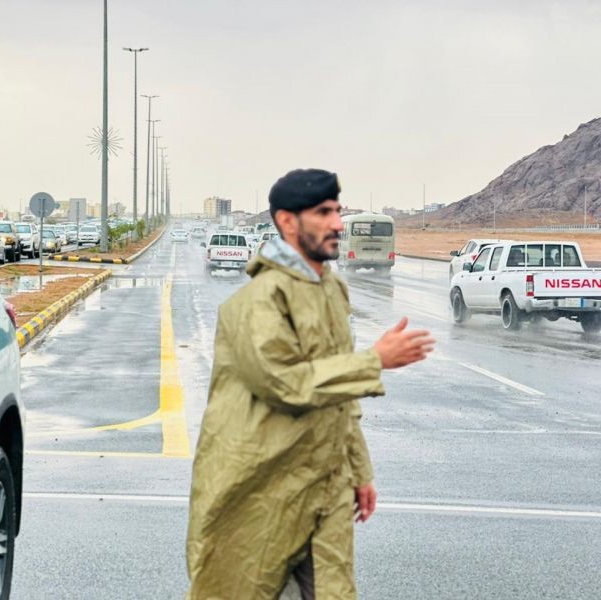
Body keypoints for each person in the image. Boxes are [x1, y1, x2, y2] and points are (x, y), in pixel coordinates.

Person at [186, 169, 435, 599]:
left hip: (327, 486)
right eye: (323, 213)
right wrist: (374, 360)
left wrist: (360, 471)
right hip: (263, 489)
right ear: (287, 221)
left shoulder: (332, 289)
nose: (338, 223)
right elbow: (283, 383)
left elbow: (339, 396)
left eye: (337, 211)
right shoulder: (257, 301)